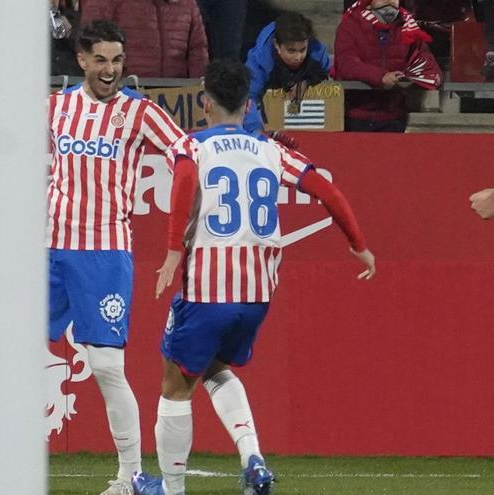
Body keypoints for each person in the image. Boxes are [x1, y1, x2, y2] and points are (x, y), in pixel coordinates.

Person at [131, 60, 376, 495]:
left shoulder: (194, 145)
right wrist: (358, 244)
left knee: (175, 381)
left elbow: (185, 177)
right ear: (248, 105)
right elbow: (327, 190)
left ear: (204, 103)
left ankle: (169, 488)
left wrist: (172, 251)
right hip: (257, 293)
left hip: (208, 288)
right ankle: (253, 459)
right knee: (216, 368)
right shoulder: (270, 149)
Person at [47, 20, 187, 495]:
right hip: (48, 251)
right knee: (4, 356)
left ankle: (130, 476)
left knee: (106, 366)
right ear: (82, 60)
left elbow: (185, 154)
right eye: (102, 60)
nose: (111, 71)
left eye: (118, 61)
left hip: (104, 252)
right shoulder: (56, 108)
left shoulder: (139, 112)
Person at [334, 0, 440, 132]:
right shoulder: (350, 25)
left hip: (394, 117)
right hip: (357, 116)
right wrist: (381, 77)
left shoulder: (408, 26)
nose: (390, 1)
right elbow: (347, 64)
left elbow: (424, 60)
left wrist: (429, 76)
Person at [244, 11, 330, 134]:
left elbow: (325, 71)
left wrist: (307, 81)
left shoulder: (317, 51)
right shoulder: (261, 59)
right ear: (277, 46)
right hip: (270, 86)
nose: (298, 57)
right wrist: (255, 129)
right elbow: (248, 96)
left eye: (302, 50)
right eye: (291, 51)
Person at [81, 0, 208, 78]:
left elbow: (197, 49)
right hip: (125, 93)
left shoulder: (188, 4)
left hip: (177, 96)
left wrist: (196, 89)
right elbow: (90, 40)